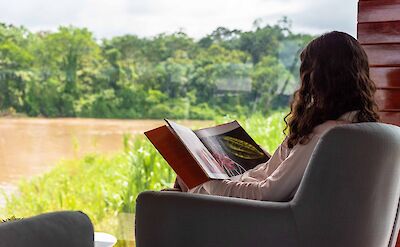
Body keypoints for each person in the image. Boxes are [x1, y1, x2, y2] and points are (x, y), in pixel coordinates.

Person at [171, 31, 380, 202]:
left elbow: (267, 193)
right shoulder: (360, 128)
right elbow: (282, 177)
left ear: (316, 78)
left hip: (257, 214)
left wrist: (206, 183)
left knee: (173, 191)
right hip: (263, 197)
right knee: (184, 184)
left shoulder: (324, 134)